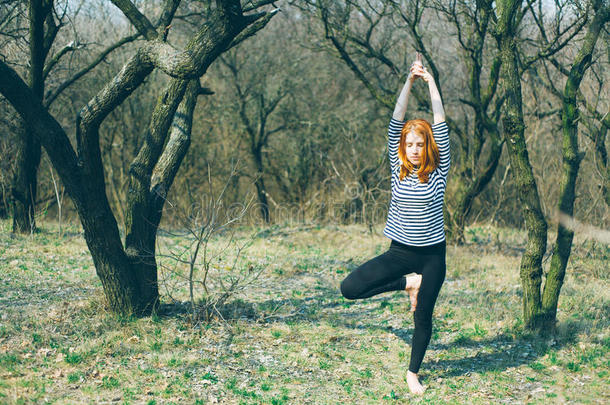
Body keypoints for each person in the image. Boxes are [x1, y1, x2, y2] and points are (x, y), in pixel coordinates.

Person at [339, 53, 450, 395]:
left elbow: (440, 121)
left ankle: (412, 373)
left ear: (428, 146)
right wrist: (409, 81)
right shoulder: (398, 169)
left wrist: (431, 83)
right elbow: (395, 119)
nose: (415, 149)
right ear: (403, 147)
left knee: (423, 319)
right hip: (399, 255)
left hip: (432, 258)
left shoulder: (439, 172)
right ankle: (408, 284)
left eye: (420, 144)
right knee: (350, 289)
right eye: (410, 144)